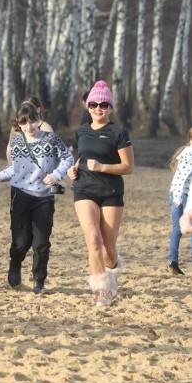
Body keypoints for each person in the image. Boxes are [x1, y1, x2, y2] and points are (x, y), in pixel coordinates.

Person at [0, 102, 73, 294]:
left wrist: (56, 175)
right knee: (21, 241)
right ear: (18, 124)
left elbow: (68, 158)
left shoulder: (51, 139)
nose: (29, 127)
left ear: (38, 120)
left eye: (32, 121)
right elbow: (13, 170)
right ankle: (15, 264)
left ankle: (39, 279)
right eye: (24, 123)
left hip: (44, 197)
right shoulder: (17, 142)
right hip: (20, 194)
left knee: (41, 242)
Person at [67, 80, 134, 307]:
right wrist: (73, 169)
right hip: (84, 189)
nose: (98, 109)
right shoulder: (81, 131)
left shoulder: (118, 132)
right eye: (93, 104)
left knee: (108, 250)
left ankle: (112, 270)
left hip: (111, 192)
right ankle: (101, 291)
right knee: (93, 241)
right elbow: (81, 156)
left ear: (111, 107)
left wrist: (103, 167)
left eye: (103, 105)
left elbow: (128, 167)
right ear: (88, 107)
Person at [168, 128, 192, 275]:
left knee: (177, 228)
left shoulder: (183, 153)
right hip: (184, 195)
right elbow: (185, 179)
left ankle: (173, 261)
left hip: (174, 194)